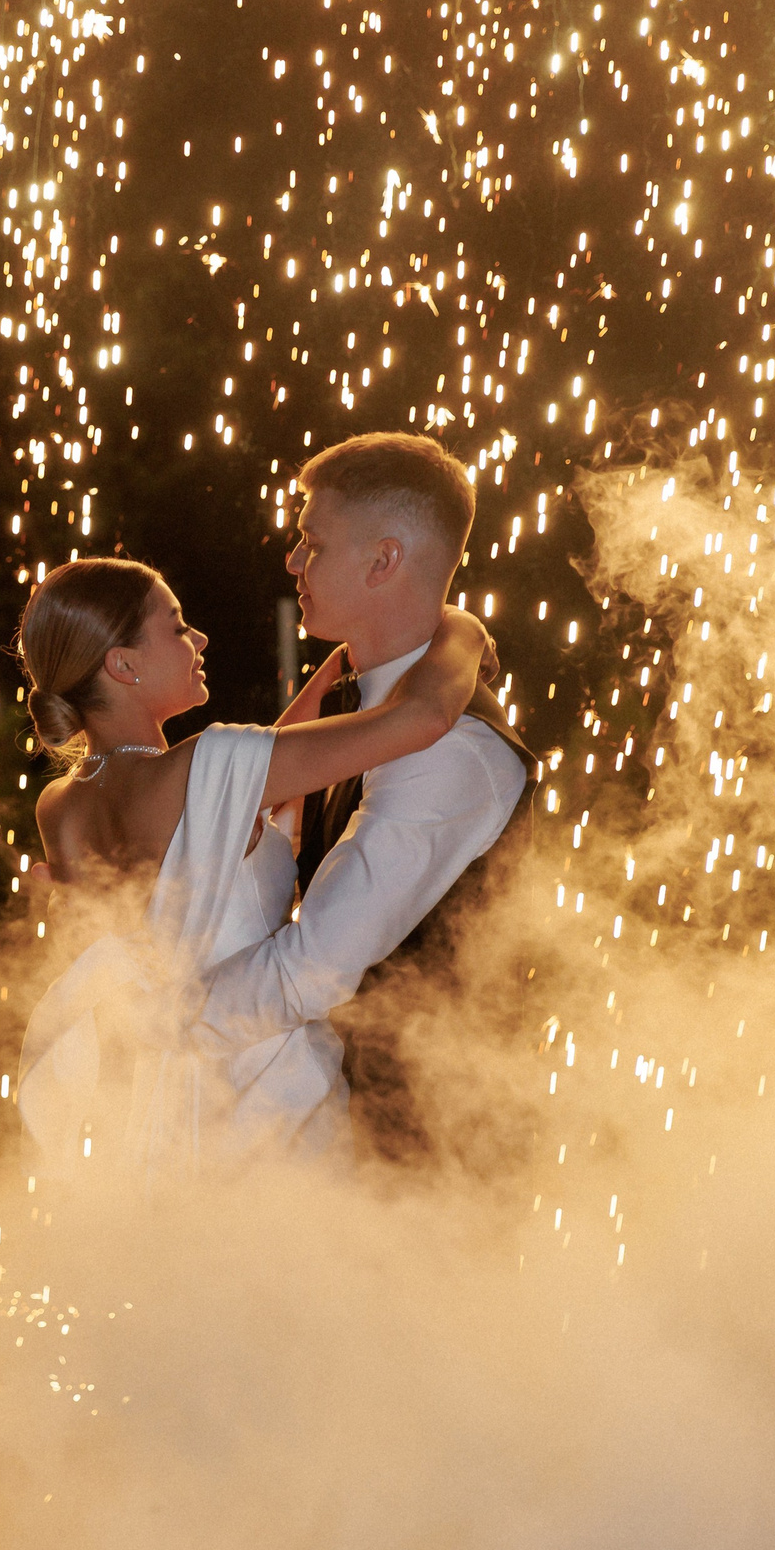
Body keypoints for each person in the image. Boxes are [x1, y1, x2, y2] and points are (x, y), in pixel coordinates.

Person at [12, 553, 495, 1182]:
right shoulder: (203, 767)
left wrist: (335, 668)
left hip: (159, 1111)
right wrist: (462, 631)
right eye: (176, 626)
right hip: (266, 1097)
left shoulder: (61, 805)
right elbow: (421, 720)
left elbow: (238, 789)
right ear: (123, 664)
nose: (199, 639)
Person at [194, 432, 534, 1163]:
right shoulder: (355, 711)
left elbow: (310, 969)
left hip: (432, 1163)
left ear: (383, 560)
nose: (293, 562)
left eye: (312, 543)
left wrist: (157, 1036)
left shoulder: (452, 749)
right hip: (345, 1152)